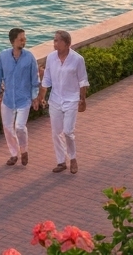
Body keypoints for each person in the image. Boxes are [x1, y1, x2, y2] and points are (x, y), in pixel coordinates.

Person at [40, 30, 89, 174]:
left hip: (72, 100)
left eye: (57, 41)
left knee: (68, 131)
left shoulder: (77, 59)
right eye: (54, 40)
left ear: (67, 43)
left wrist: (82, 100)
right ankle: (61, 161)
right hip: (55, 100)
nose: (54, 43)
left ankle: (73, 158)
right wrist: (41, 97)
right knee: (56, 132)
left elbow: (83, 81)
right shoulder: (50, 58)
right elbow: (47, 79)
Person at [0, 27, 40, 167]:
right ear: (13, 41)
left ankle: (24, 150)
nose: (24, 41)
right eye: (21, 39)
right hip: (7, 100)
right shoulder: (3, 56)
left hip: (24, 99)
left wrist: (35, 98)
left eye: (24, 39)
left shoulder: (29, 57)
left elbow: (35, 79)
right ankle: (14, 154)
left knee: (19, 127)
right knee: (7, 128)